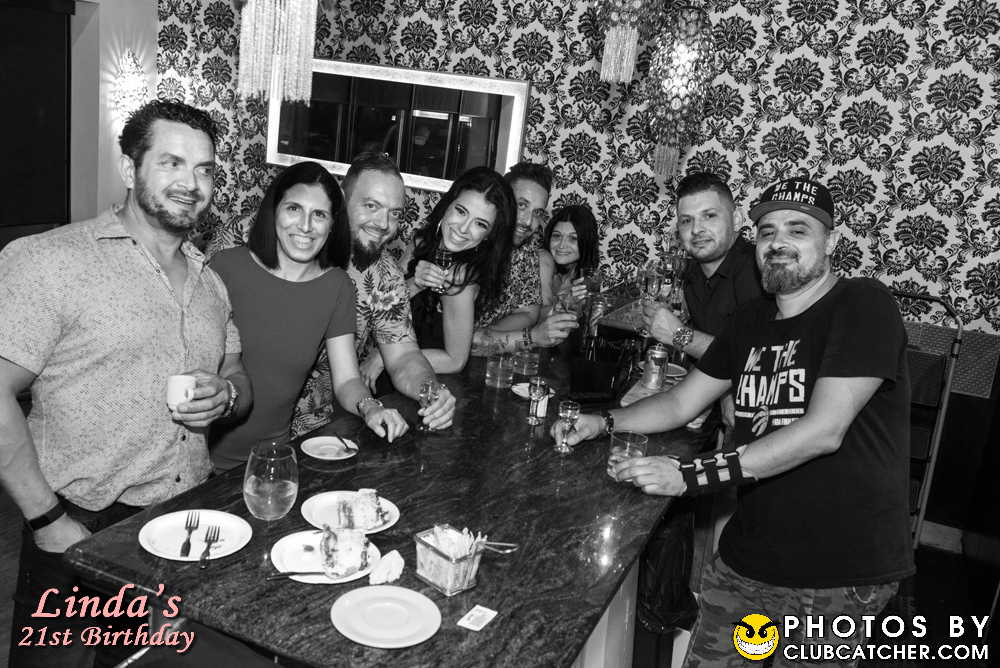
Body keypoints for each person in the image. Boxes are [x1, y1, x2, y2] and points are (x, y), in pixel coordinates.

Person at [556, 177, 914, 667]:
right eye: (767, 232)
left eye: (797, 230)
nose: (778, 243)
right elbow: (681, 402)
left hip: (836, 570)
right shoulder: (751, 319)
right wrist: (601, 421)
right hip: (751, 554)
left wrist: (688, 475)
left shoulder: (863, 303)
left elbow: (824, 431)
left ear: (830, 241)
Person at [0, 100, 251, 667]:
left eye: (205, 169)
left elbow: (237, 374)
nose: (191, 182)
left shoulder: (211, 283)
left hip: (176, 525)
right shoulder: (49, 260)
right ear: (129, 168)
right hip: (77, 525)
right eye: (171, 162)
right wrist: (48, 520)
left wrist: (227, 395)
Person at [209, 161, 408, 472]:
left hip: (272, 459)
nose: (305, 226)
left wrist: (371, 408)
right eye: (294, 209)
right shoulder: (225, 268)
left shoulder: (337, 287)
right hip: (199, 459)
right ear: (273, 210)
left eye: (319, 215)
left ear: (333, 224)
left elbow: (347, 380)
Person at [294, 152, 456, 435]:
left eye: (394, 214)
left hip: (319, 426)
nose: (383, 224)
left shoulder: (385, 273)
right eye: (371, 206)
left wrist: (431, 390)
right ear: (341, 200)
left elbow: (403, 357)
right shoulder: (293, 243)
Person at [403, 166, 516, 373]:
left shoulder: (460, 277)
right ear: (447, 205)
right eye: (461, 211)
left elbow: (455, 361)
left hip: (420, 378)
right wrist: (416, 283)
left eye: (480, 224)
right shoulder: (421, 242)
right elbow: (382, 303)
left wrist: (390, 357)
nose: (463, 229)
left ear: (489, 235)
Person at [642, 172, 763, 361]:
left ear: (737, 220)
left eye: (709, 215)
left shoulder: (757, 271)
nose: (696, 229)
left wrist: (678, 334)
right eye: (687, 221)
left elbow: (756, 359)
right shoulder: (693, 275)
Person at [470, 162, 578, 353]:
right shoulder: (468, 243)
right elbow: (460, 342)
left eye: (537, 213)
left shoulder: (526, 248)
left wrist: (488, 334)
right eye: (521, 205)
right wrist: (531, 337)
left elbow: (528, 312)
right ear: (501, 200)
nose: (528, 221)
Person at [544, 204, 601, 300]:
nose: (562, 245)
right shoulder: (539, 264)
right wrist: (564, 302)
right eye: (557, 236)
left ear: (587, 242)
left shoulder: (586, 285)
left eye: (573, 238)